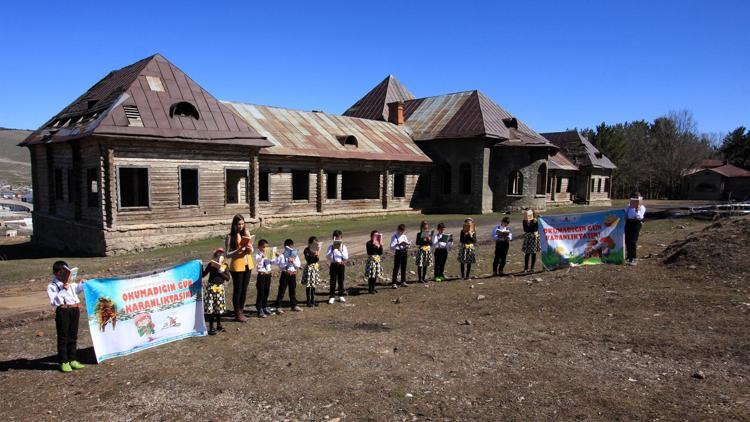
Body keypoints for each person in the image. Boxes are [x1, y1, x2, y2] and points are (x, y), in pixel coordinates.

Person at [47, 260, 86, 373]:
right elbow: (54, 302)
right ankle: (63, 361)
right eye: (61, 272)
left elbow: (76, 291)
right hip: (63, 311)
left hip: (75, 309)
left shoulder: (71, 282)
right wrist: (64, 288)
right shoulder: (52, 286)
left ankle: (72, 359)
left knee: (73, 336)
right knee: (63, 337)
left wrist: (81, 285)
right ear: (56, 273)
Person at [225, 214, 254, 323]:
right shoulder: (230, 236)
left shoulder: (247, 234)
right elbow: (227, 254)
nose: (241, 226)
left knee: (245, 289)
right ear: (234, 225)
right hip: (237, 266)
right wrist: (238, 251)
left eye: (242, 224)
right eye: (238, 224)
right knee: (238, 289)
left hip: (248, 264)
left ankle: (241, 310)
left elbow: (252, 251)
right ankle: (237, 313)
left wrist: (250, 248)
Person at [202, 248, 231, 335]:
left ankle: (219, 325)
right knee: (211, 308)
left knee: (219, 307)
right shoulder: (211, 264)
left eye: (221, 255)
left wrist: (220, 272)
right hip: (211, 288)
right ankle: (211, 327)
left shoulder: (225, 265)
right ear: (215, 256)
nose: (220, 257)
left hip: (220, 288)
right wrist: (199, 267)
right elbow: (203, 274)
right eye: (218, 255)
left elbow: (228, 278)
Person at [274, 239, 302, 313]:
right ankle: (278, 307)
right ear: (285, 247)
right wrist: (286, 262)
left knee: (292, 290)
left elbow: (298, 265)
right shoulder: (282, 255)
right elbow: (280, 266)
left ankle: (294, 305)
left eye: (291, 247)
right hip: (285, 274)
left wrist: (293, 261)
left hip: (292, 274)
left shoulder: (295, 255)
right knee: (282, 290)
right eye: (288, 247)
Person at [325, 230, 349, 304]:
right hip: (333, 265)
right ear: (333, 238)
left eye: (339, 238)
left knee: (341, 280)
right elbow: (328, 257)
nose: (338, 240)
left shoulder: (343, 247)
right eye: (336, 238)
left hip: (341, 265)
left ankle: (341, 295)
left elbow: (346, 257)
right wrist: (333, 250)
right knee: (333, 281)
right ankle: (332, 296)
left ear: (341, 238)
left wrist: (340, 250)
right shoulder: (331, 247)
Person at [625, 193, 646, 265]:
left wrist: (637, 209)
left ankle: (634, 258)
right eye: (633, 198)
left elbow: (640, 217)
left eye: (637, 198)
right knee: (627, 240)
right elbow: (626, 214)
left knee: (633, 241)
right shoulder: (628, 206)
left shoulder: (642, 207)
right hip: (628, 223)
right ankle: (629, 256)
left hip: (636, 224)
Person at [254, 239, 274, 318]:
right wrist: (262, 258)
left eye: (266, 247)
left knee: (266, 291)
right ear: (259, 247)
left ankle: (265, 306)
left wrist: (274, 256)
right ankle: (259, 308)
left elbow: (273, 262)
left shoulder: (268, 253)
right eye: (264, 247)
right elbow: (258, 266)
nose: (265, 249)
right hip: (262, 275)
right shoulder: (257, 255)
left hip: (268, 274)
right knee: (261, 291)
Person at [301, 236, 322, 307]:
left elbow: (316, 260)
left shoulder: (316, 250)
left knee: (313, 285)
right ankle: (308, 301)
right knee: (308, 285)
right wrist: (315, 255)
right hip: (309, 268)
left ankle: (313, 300)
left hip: (315, 268)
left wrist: (317, 255)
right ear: (309, 243)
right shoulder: (306, 250)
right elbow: (309, 260)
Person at [390, 224, 411, 288]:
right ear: (398, 229)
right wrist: (397, 244)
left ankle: (403, 281)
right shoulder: (394, 236)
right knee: (396, 267)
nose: (402, 232)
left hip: (404, 252)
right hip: (398, 252)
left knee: (403, 267)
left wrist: (408, 245)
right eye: (401, 230)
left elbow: (407, 245)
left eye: (403, 231)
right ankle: (394, 282)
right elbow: (391, 246)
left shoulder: (404, 236)